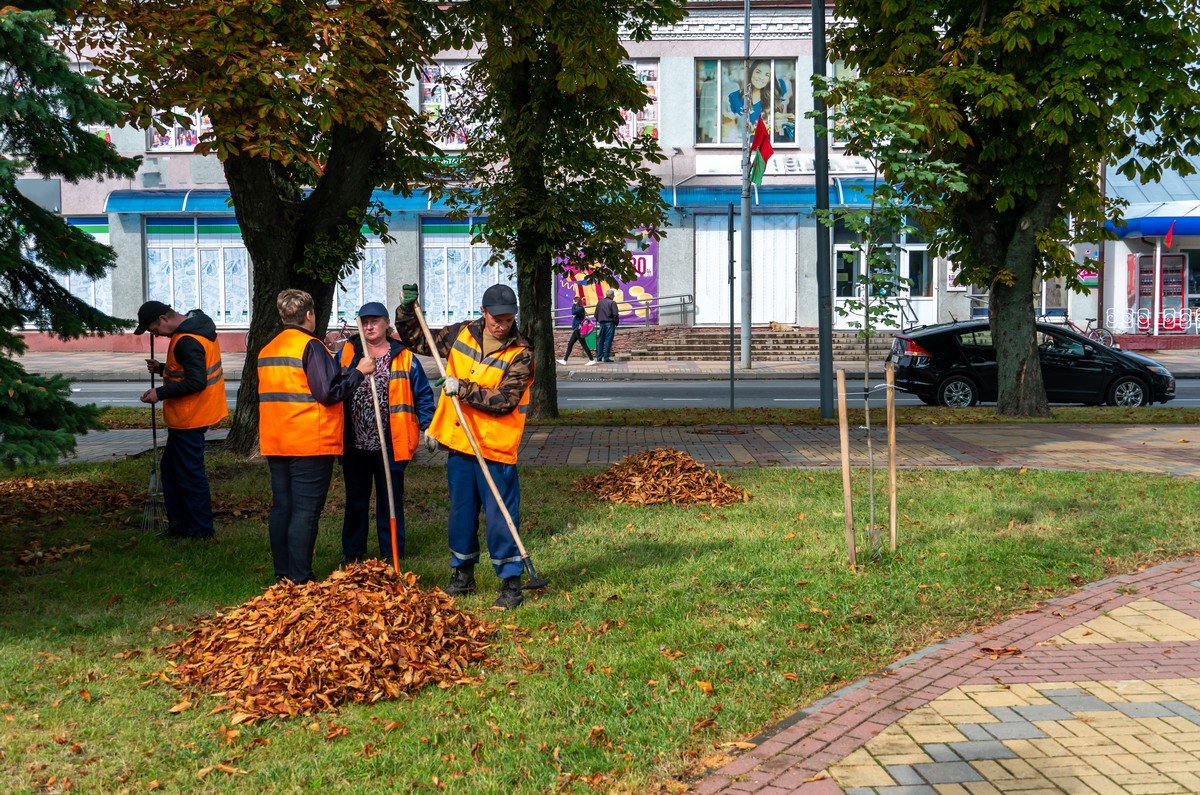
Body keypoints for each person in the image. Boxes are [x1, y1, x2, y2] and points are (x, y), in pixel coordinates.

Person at [394, 282, 533, 610]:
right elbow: (417, 340)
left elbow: (505, 401)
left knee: (501, 516)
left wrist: (463, 388)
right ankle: (462, 575)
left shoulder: (521, 352)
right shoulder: (461, 334)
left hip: (495, 447)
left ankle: (511, 582)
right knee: (461, 514)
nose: (503, 324)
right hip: (461, 443)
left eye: (509, 319)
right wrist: (406, 310)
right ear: (483, 313)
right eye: (497, 318)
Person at [258, 289, 373, 584]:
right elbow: (328, 392)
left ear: (283, 315)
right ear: (309, 315)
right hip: (310, 440)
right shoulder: (311, 346)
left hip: (277, 440)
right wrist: (358, 373)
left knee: (282, 507)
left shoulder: (268, 349)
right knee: (305, 511)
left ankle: (283, 573)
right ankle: (299, 577)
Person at [333, 302, 436, 565]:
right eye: (364, 321)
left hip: (391, 443)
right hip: (355, 442)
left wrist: (428, 426)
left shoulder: (403, 356)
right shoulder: (347, 352)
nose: (369, 326)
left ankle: (391, 552)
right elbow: (333, 388)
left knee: (389, 499)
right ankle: (353, 553)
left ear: (386, 323)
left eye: (375, 321)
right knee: (356, 500)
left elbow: (422, 394)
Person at [136, 300, 227, 540]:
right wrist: (162, 369)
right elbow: (188, 370)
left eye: (154, 330)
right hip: (191, 415)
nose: (156, 335)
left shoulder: (187, 340)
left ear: (164, 319)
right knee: (172, 471)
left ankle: (200, 530)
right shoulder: (196, 325)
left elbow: (197, 382)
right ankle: (181, 526)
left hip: (191, 416)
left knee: (189, 474)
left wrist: (160, 393)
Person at [556, 295, 596, 366]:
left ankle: (591, 360)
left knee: (584, 345)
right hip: (576, 329)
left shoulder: (580, 308)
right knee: (570, 344)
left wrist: (574, 304)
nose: (573, 302)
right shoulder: (578, 308)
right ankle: (564, 360)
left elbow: (573, 312)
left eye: (574, 301)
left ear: (576, 301)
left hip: (578, 329)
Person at [594, 288, 621, 363]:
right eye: (613, 295)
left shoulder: (600, 302)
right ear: (612, 295)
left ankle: (599, 357)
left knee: (601, 340)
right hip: (610, 323)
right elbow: (615, 314)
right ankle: (606, 358)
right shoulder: (612, 303)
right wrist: (616, 322)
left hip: (602, 324)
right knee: (608, 341)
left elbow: (595, 314)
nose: (614, 297)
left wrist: (599, 320)